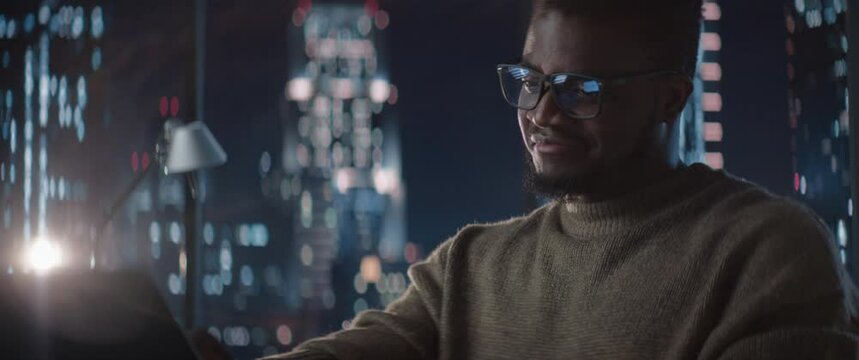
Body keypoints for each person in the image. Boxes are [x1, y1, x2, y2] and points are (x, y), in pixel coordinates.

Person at [266, 0, 859, 359]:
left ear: (670, 99)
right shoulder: (472, 267)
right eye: (531, 79)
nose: (541, 113)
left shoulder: (765, 254)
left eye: (582, 90)